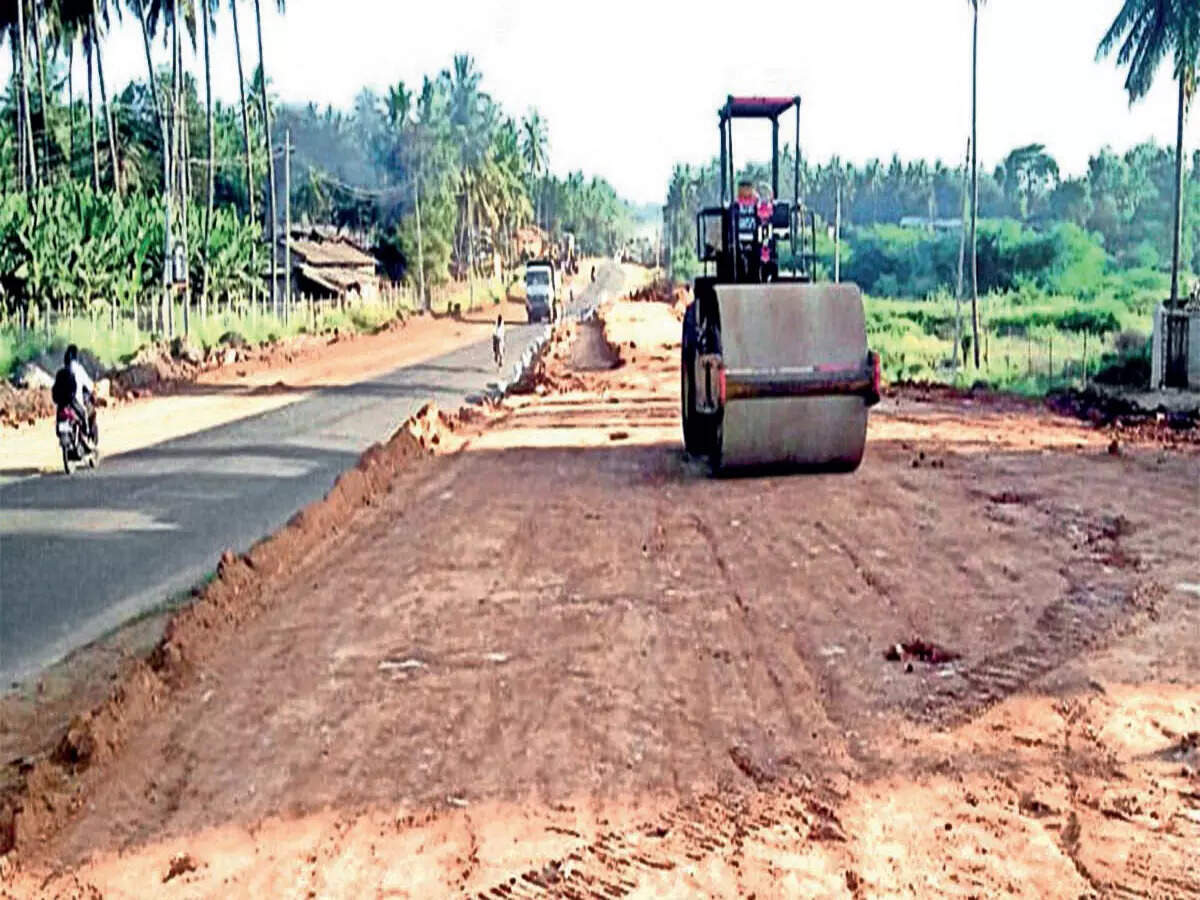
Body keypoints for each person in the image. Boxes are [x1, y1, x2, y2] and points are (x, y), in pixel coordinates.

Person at [54, 344, 97, 444]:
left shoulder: (61, 372)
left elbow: (55, 387)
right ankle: (86, 435)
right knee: (85, 413)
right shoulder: (79, 369)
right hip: (75, 401)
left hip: (62, 404)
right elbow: (89, 385)